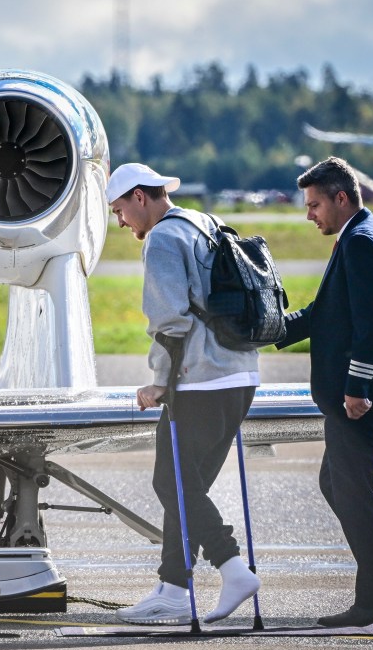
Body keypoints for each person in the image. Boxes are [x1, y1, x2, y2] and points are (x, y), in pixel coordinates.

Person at [107, 163, 261, 625]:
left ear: (139, 197)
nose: (120, 223)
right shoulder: (204, 223)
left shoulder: (163, 239)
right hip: (241, 376)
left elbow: (170, 321)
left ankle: (232, 567)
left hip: (200, 380)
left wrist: (159, 380)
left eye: (119, 211)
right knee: (186, 487)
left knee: (170, 482)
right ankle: (173, 587)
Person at [278, 156, 373, 627]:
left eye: (315, 204)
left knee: (355, 490)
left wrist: (357, 386)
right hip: (368, 389)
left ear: (342, 198)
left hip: (365, 394)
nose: (309, 214)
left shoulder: (361, 243)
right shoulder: (362, 235)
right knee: (336, 482)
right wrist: (271, 329)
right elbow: (326, 312)